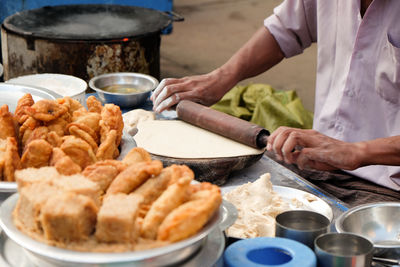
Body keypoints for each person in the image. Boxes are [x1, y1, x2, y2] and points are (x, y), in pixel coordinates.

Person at [151, 0, 400, 206]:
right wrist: (220, 78)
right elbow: (285, 29)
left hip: (386, 189)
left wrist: (357, 152)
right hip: (314, 161)